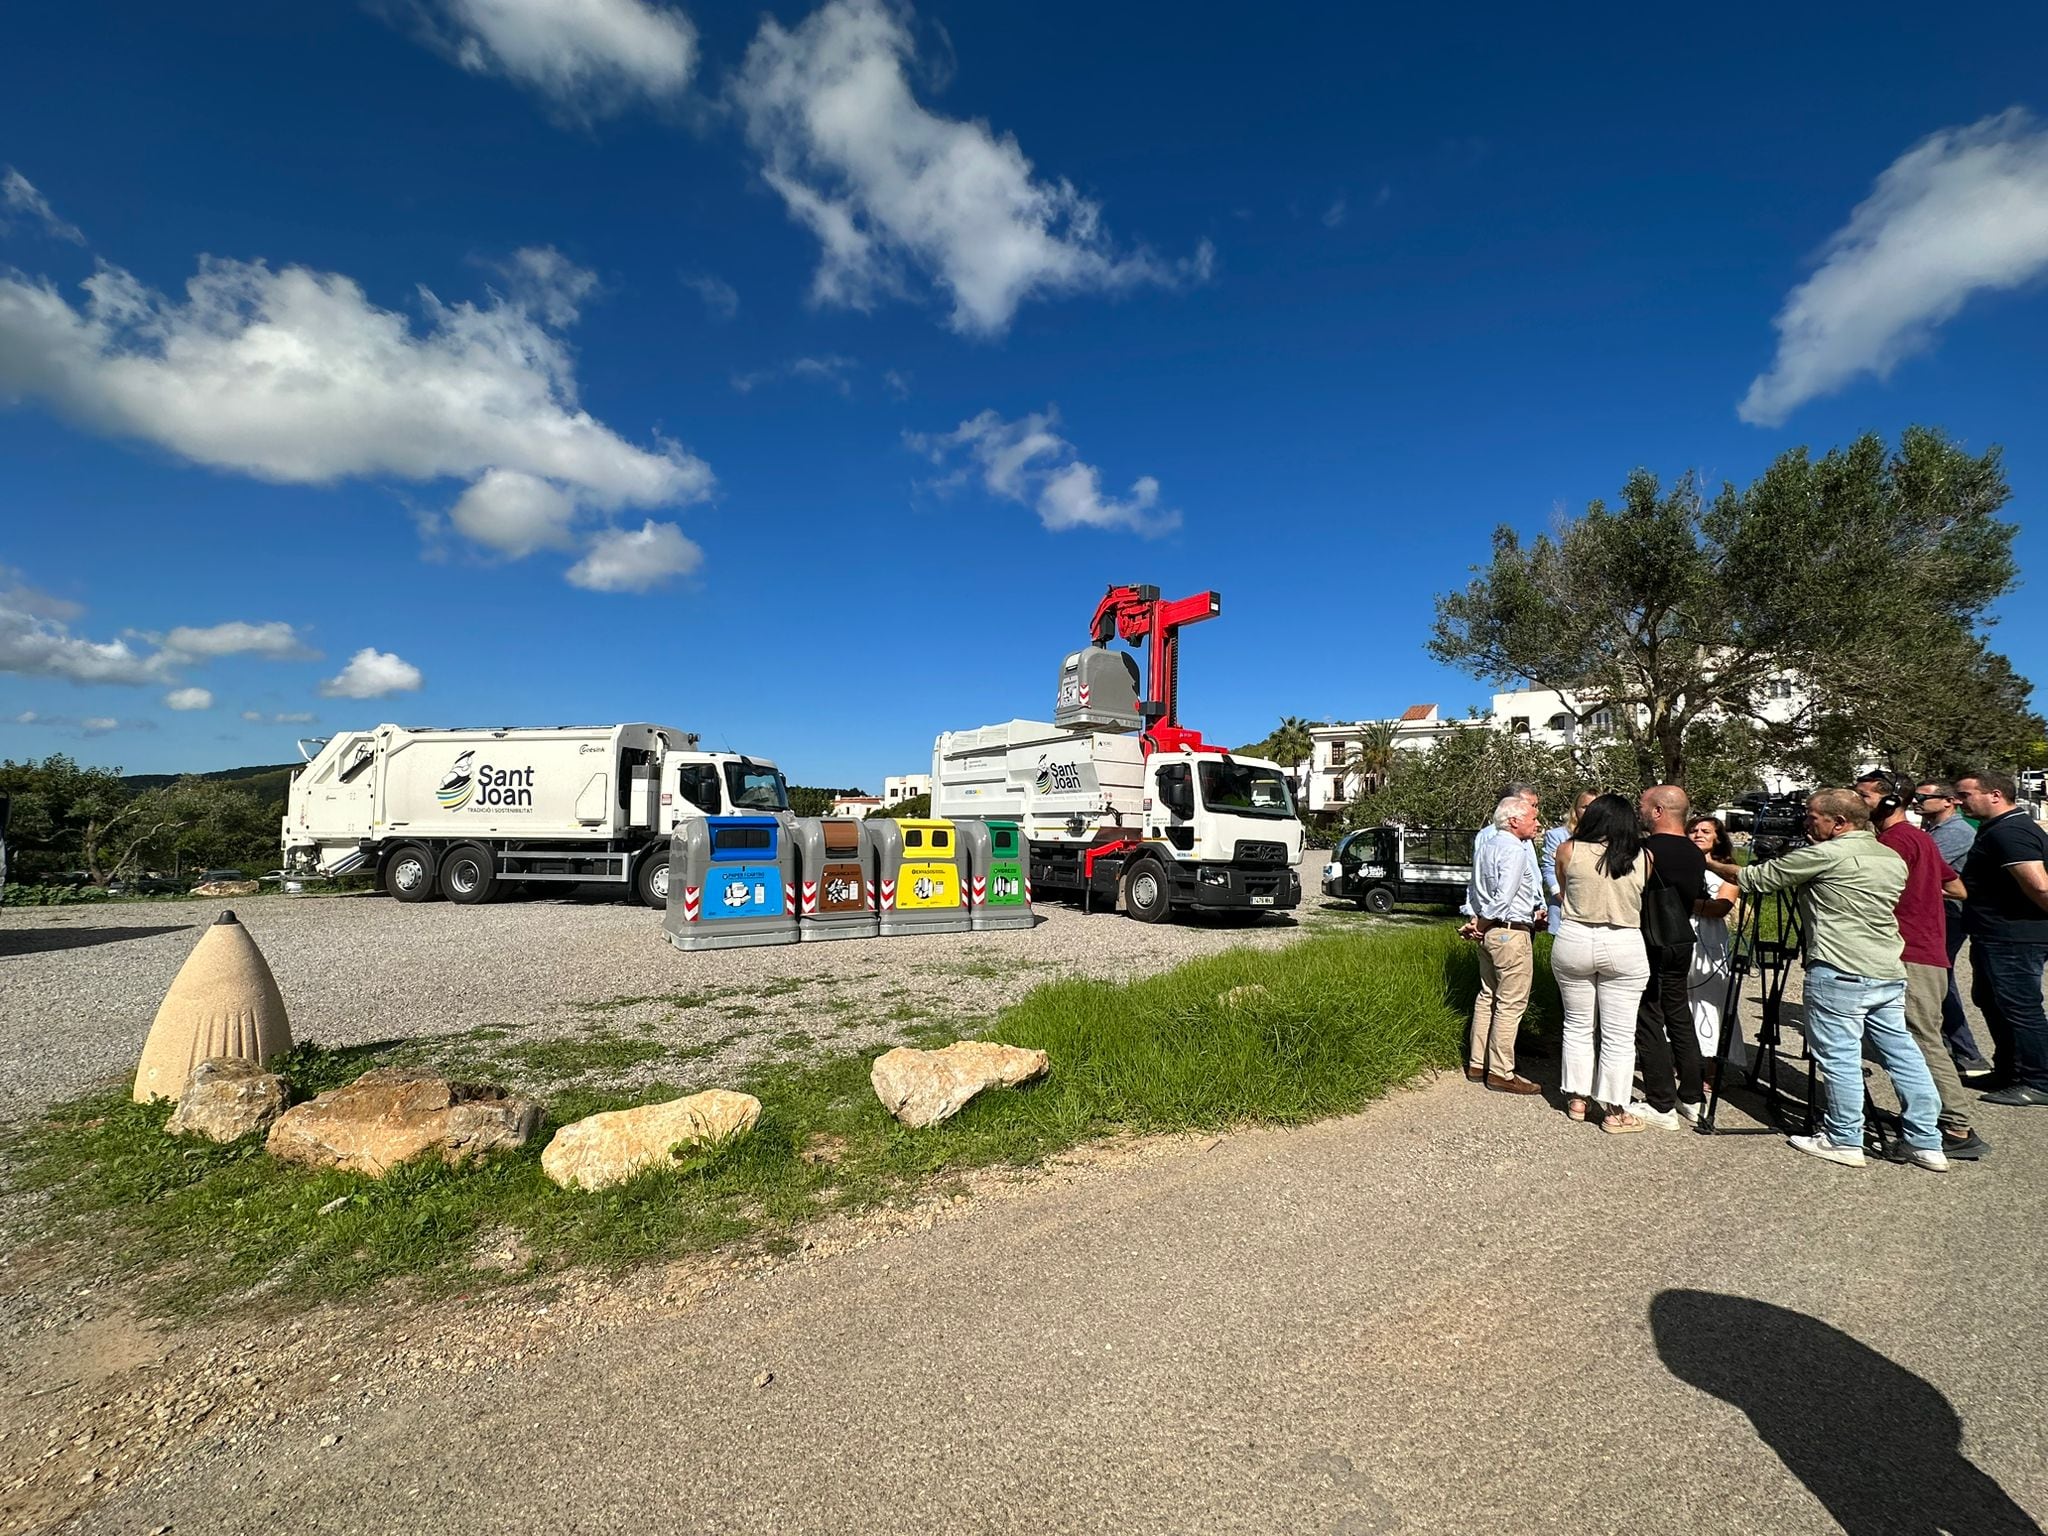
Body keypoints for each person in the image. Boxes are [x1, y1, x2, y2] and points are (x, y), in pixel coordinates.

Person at [1704, 789, 1947, 1170]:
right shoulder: (1889, 856)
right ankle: (1926, 1140)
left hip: (1839, 968)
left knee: (1839, 1057)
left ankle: (1844, 1137)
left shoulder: (1828, 854)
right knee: (1903, 1054)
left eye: (1812, 817)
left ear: (1839, 823)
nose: (1806, 823)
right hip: (1886, 968)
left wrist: (1710, 863)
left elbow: (1758, 879)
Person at [1854, 772, 1987, 1159]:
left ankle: (1955, 1126)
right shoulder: (1920, 840)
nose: (1857, 801)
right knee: (1915, 1036)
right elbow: (1957, 887)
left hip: (1912, 951)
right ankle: (1931, 1115)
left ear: (1890, 801)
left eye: (1864, 796)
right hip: (1923, 947)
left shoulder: (1896, 842)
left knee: (1919, 1038)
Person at [1551, 793, 1654, 1132]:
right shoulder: (1643, 857)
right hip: (1624, 940)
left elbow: (1565, 892)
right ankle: (1614, 1109)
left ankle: (1578, 1098)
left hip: (1576, 937)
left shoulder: (1568, 850)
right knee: (1619, 1034)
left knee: (1578, 1024)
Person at [1955, 770, 2048, 1106]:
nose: (1960, 801)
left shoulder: (2009, 831)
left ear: (1995, 794)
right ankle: (2009, 1070)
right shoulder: (1997, 829)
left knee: (2020, 1007)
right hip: (1994, 934)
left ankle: (2039, 1081)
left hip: (2013, 937)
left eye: (1966, 795)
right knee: (1991, 1000)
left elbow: (2040, 886)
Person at [1458, 794, 1546, 1093]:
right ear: (1513, 821)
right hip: (1509, 930)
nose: (1537, 823)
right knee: (1510, 1003)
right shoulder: (1515, 850)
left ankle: (1477, 1062)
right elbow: (1504, 896)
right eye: (1532, 818)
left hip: (1488, 932)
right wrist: (1482, 922)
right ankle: (1501, 1071)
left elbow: (1474, 889)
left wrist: (1475, 921)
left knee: (1487, 996)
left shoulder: (1486, 846)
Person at [1632, 785, 1707, 1129]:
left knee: (1648, 1014)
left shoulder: (1645, 851)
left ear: (1659, 811)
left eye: (1644, 806)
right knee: (1678, 1013)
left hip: (1652, 939)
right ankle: (1691, 1096)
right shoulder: (1694, 852)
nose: (1640, 810)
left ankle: (1660, 1101)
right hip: (1681, 939)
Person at [1915, 780, 1987, 1071]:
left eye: (1924, 797)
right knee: (1937, 979)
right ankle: (1954, 1047)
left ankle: (1966, 1052)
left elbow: (1918, 869)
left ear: (1949, 801)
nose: (1917, 801)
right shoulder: (1933, 830)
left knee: (1938, 979)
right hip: (1937, 910)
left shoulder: (1956, 832)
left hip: (1949, 913)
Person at [1685, 815, 1740, 1074]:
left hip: (1710, 936)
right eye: (1693, 830)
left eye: (1705, 831)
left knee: (1710, 997)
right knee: (1681, 997)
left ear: (1717, 838)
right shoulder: (1680, 863)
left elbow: (1721, 906)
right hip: (1681, 930)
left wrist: (1685, 901)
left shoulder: (1727, 869)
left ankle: (1710, 1063)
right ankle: (1681, 1058)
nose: (1698, 834)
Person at [1543, 791, 1595, 936]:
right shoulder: (1557, 836)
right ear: (1575, 810)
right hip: (1564, 909)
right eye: (1584, 807)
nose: (1589, 811)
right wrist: (1564, 898)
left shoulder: (1610, 837)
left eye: (1594, 807)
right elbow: (1549, 870)